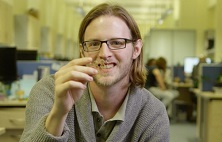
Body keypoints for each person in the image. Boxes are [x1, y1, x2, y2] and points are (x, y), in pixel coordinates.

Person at [20, 3, 169, 142]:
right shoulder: (49, 91)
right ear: (82, 50)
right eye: (94, 44)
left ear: (136, 49)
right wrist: (58, 113)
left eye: (117, 42)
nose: (104, 53)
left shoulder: (153, 113)